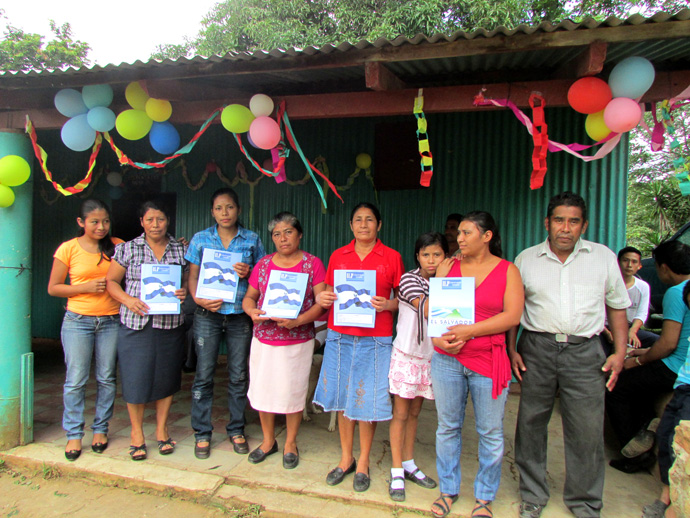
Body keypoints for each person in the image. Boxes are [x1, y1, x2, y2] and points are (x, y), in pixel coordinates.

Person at [508, 191, 630, 518]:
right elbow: (513, 310)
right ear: (547, 223)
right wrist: (511, 348)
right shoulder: (526, 259)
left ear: (584, 225)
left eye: (573, 221)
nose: (565, 228)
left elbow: (618, 308)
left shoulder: (603, 257)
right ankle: (533, 495)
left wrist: (619, 353)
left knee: (587, 430)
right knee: (531, 423)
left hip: (586, 351)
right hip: (536, 348)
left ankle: (585, 502)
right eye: (559, 220)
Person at [430, 212, 524, 518]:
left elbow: (512, 316)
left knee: (490, 432)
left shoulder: (507, 270)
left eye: (467, 233)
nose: (459, 238)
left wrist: (470, 331)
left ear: (487, 236)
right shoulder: (449, 266)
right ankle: (448, 490)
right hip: (448, 360)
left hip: (488, 360)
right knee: (448, 427)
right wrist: (437, 340)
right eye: (458, 233)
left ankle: (484, 497)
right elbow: (434, 312)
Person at [313, 202, 405, 492]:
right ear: (351, 225)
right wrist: (325, 299)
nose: (363, 224)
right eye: (357, 220)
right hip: (340, 335)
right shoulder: (339, 255)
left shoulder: (392, 257)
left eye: (369, 220)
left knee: (367, 400)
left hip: (376, 338)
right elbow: (328, 292)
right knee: (342, 397)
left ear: (379, 224)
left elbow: (403, 299)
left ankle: (363, 461)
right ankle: (345, 458)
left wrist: (388, 304)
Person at [185, 187, 266, 459]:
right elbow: (193, 276)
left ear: (238, 210)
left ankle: (236, 429)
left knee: (238, 375)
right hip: (208, 314)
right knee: (204, 374)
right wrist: (198, 300)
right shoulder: (200, 239)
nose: (224, 213)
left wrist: (250, 271)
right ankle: (202, 432)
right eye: (219, 208)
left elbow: (262, 277)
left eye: (229, 207)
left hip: (239, 316)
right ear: (212, 212)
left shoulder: (252, 239)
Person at [242, 212, 326, 469]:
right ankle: (268, 441)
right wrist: (251, 311)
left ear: (299, 235)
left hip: (297, 340)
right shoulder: (264, 264)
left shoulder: (313, 264)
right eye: (277, 234)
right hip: (265, 339)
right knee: (264, 390)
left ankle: (290, 442)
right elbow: (249, 297)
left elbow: (322, 303)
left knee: (292, 392)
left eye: (288, 232)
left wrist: (299, 321)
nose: (282, 238)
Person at [106, 200, 188, 461]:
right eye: (150, 219)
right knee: (135, 379)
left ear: (168, 221)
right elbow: (111, 282)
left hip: (169, 325)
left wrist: (183, 292)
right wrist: (128, 300)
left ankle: (162, 431)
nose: (156, 224)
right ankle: (137, 433)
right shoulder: (127, 250)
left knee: (166, 378)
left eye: (161, 219)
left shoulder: (181, 250)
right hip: (135, 323)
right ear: (141, 222)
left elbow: (187, 282)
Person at [47, 199, 123, 461]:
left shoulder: (117, 246)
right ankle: (73, 434)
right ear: (81, 223)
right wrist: (85, 288)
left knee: (106, 378)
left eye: (105, 221)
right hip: (77, 321)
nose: (101, 227)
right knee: (76, 380)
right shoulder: (68, 249)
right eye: (94, 222)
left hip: (112, 320)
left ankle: (100, 429)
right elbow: (54, 287)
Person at [606, 240, 690, 473]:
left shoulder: (677, 292)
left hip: (674, 367)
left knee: (616, 385)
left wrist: (637, 360)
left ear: (663, 267)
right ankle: (647, 424)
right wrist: (642, 351)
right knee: (639, 381)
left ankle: (634, 451)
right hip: (683, 361)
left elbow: (669, 343)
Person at [388, 232, 450, 502]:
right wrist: (450, 284)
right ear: (417, 257)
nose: (432, 260)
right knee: (400, 413)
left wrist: (448, 280)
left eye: (438, 254)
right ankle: (396, 469)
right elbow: (428, 309)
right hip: (407, 355)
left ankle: (410, 462)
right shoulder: (409, 279)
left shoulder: (447, 281)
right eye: (426, 254)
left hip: (431, 357)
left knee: (415, 413)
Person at [642, 281, 690, 518]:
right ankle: (666, 496)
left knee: (680, 443)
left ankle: (675, 506)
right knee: (667, 436)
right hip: (683, 386)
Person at [600, 246, 659, 353]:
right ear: (617, 263)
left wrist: (633, 331)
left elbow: (642, 313)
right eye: (625, 260)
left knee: (657, 342)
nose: (629, 265)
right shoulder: (605, 283)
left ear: (640, 266)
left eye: (634, 261)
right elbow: (595, 313)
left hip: (629, 328)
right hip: (605, 329)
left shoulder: (643, 286)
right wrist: (607, 333)